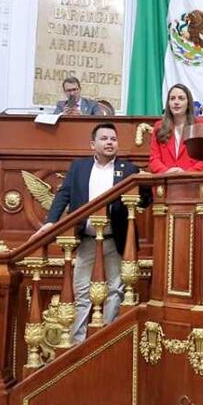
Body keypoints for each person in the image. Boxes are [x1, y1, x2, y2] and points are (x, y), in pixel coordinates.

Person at [33, 124, 149, 342]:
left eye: (113, 139)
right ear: (92, 144)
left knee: (116, 290)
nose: (109, 142)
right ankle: (77, 343)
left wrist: (145, 185)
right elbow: (63, 195)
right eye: (104, 138)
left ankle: (106, 339)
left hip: (116, 241)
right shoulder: (79, 167)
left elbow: (145, 201)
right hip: (86, 240)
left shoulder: (128, 169)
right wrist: (50, 222)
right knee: (82, 292)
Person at [148, 84, 203, 173]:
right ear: (168, 103)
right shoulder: (159, 126)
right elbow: (154, 159)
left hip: (192, 179)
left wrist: (186, 174)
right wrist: (166, 172)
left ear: (188, 103)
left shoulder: (200, 125)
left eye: (181, 98)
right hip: (165, 178)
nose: (176, 102)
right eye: (172, 98)